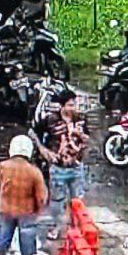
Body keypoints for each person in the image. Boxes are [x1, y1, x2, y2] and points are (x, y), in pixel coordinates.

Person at [0, 135, 48, 255]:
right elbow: (41, 197)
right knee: (27, 240)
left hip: (5, 210)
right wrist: (38, 211)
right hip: (27, 211)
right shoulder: (34, 171)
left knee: (2, 237)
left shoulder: (2, 166)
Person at [34, 88, 89, 241]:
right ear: (62, 106)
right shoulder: (50, 119)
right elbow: (33, 132)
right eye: (70, 105)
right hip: (58, 168)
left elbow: (88, 137)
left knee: (77, 199)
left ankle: (76, 225)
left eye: (75, 105)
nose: (73, 108)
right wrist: (43, 150)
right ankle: (57, 226)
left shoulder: (81, 119)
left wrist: (82, 138)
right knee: (57, 201)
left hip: (76, 166)